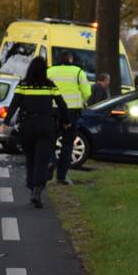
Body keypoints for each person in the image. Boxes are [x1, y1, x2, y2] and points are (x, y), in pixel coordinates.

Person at [4, 57, 68, 207]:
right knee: (42, 160)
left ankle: (32, 186)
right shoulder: (50, 85)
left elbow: (14, 104)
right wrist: (66, 121)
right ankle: (38, 189)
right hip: (46, 125)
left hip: (27, 126)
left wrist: (6, 122)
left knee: (30, 158)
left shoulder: (23, 85)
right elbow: (62, 105)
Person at [47, 51, 91, 185]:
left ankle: (50, 161)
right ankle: (62, 176)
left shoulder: (50, 71)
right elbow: (87, 92)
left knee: (50, 140)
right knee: (67, 144)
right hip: (71, 112)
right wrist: (82, 100)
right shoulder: (78, 72)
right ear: (71, 59)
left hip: (52, 111)